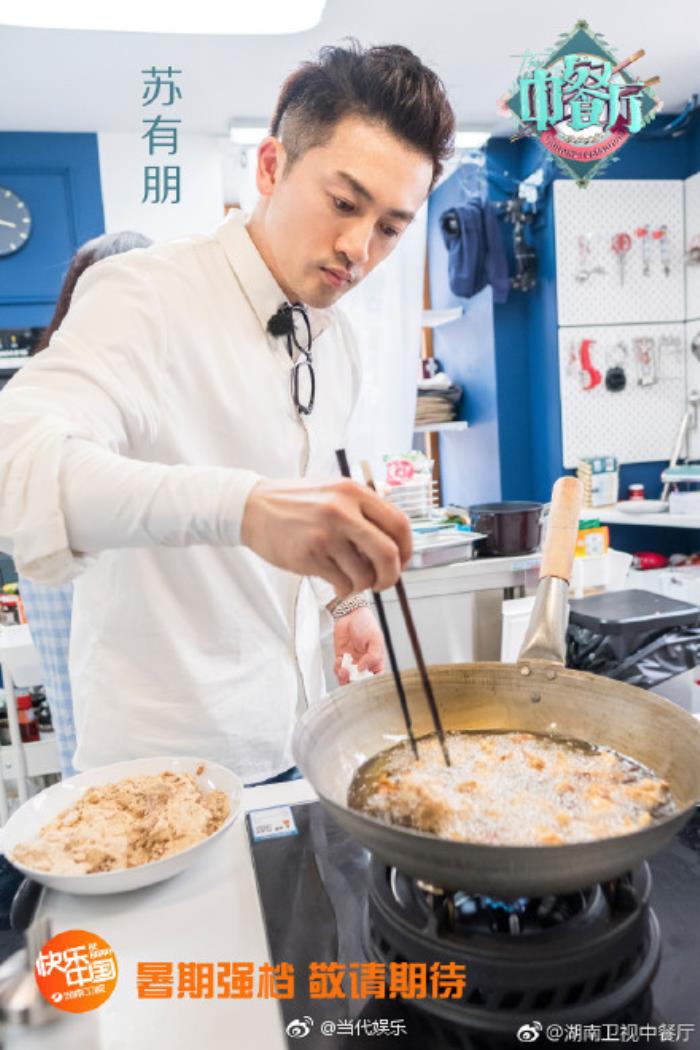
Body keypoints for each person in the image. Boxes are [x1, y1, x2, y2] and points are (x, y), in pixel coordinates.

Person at [0, 42, 455, 784]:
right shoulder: (146, 294)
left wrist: (346, 606)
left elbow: (309, 498)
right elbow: (15, 465)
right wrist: (242, 509)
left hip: (293, 739)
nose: (358, 249)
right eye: (344, 204)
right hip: (157, 774)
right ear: (271, 167)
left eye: (390, 228)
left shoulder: (336, 342)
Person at [18, 231, 153, 778]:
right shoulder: (63, 388)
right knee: (90, 722)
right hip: (66, 566)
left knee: (88, 729)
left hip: (69, 567)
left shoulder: (50, 373)